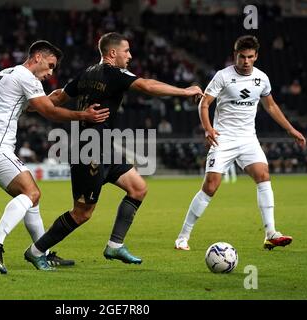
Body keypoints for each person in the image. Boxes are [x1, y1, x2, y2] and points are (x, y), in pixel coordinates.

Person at [24, 32, 204, 271]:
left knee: (138, 188)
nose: (129, 56)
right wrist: (185, 91)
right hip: (88, 150)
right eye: (126, 51)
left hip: (102, 146)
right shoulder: (114, 73)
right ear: (112, 53)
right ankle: (36, 251)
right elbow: (147, 86)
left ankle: (115, 245)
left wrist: (35, 104)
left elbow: (59, 96)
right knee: (82, 213)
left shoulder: (87, 73)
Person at [0, 40, 110, 274]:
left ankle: (43, 252)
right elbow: (48, 111)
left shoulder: (6, 73)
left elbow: (32, 106)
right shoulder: (26, 77)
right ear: (37, 57)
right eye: (49, 65)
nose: (50, 72)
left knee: (31, 199)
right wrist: (83, 115)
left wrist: (60, 96)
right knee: (32, 193)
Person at [174, 35, 306, 251]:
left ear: (256, 56)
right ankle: (183, 236)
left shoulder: (262, 78)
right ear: (235, 55)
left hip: (247, 139)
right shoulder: (222, 76)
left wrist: (291, 130)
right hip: (223, 138)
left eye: (250, 57)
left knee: (263, 175)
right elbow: (204, 104)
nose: (245, 61)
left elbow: (270, 106)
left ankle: (270, 233)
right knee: (210, 187)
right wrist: (208, 129)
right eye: (242, 57)